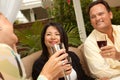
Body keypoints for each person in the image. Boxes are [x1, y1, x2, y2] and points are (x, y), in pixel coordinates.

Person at [0, 12, 70, 80]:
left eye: (57, 34)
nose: (11, 24)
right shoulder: (3, 52)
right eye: (6, 20)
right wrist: (48, 74)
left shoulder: (7, 55)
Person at [84, 0, 120, 80]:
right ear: (91, 22)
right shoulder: (90, 43)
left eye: (100, 14)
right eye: (93, 17)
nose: (97, 18)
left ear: (110, 15)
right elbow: (101, 72)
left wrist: (118, 56)